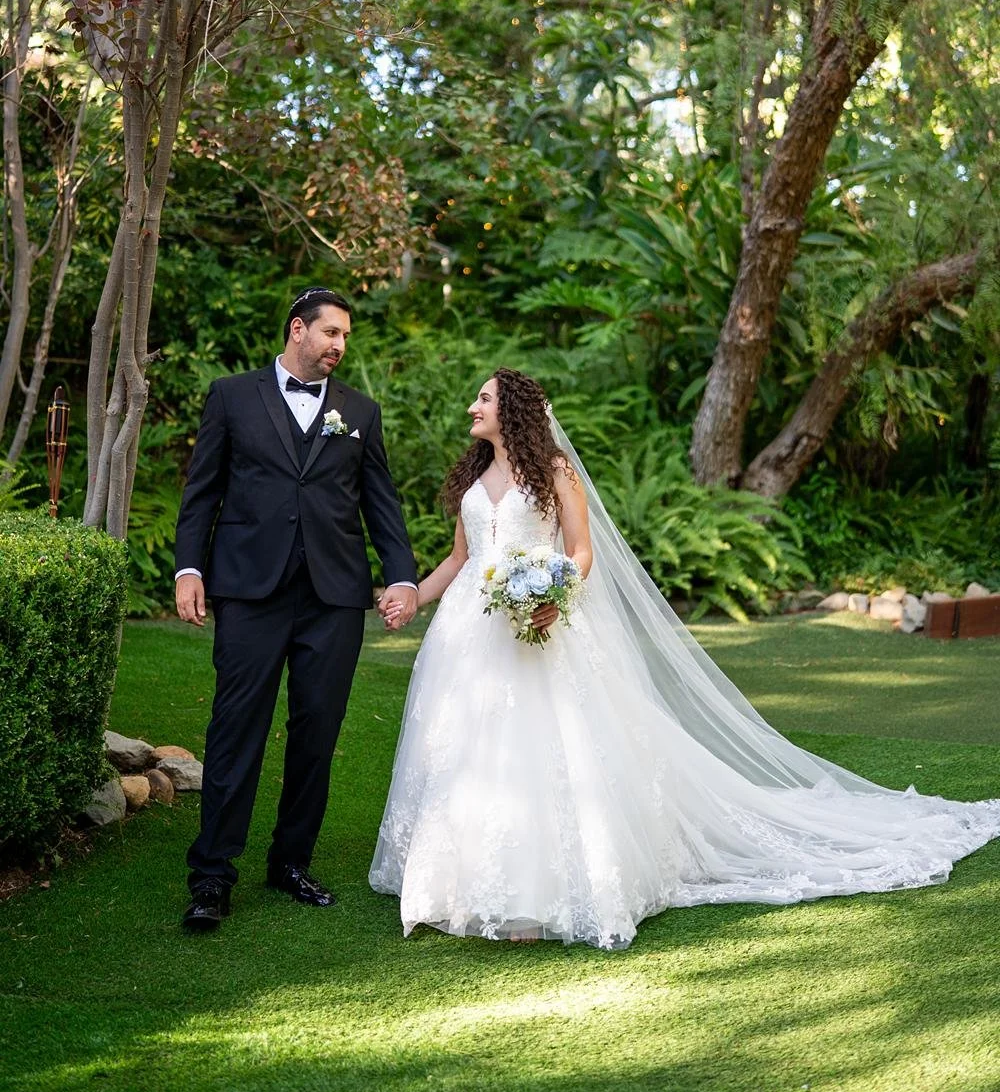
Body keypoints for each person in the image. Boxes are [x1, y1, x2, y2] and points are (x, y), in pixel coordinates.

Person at [370, 367, 1000, 951]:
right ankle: (459, 882)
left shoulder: (554, 471)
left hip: (541, 628)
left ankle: (540, 892)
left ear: (513, 411)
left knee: (546, 751)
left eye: (484, 398)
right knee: (469, 750)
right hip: (468, 635)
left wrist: (555, 596)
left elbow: (583, 551)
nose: (473, 407)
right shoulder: (474, 480)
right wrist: (412, 598)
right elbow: (460, 560)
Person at [174, 288, 418, 931]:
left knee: (316, 734)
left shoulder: (360, 411)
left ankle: (290, 862)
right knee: (236, 729)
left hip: (333, 599)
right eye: (330, 333)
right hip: (249, 591)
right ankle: (212, 875)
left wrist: (402, 579)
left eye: (345, 337)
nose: (339, 346)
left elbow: (380, 505)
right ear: (297, 330)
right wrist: (190, 567)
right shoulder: (232, 396)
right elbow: (203, 490)